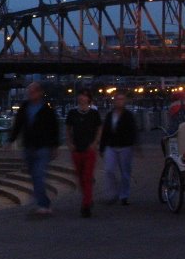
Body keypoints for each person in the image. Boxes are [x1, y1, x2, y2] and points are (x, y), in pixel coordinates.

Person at [8, 81, 60, 216]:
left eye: (34, 91)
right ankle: (44, 201)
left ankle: (43, 204)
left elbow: (54, 128)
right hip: (29, 146)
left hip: (43, 147)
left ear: (40, 93)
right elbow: (18, 124)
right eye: (29, 92)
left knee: (38, 174)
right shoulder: (24, 107)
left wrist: (54, 146)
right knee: (34, 175)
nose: (31, 94)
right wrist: (11, 140)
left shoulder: (47, 109)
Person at [65, 88, 102, 218]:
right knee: (81, 177)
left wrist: (95, 142)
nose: (82, 98)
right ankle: (88, 198)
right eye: (80, 95)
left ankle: (86, 205)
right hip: (76, 149)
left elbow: (99, 127)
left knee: (87, 176)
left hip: (89, 149)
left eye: (85, 96)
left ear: (89, 99)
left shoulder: (93, 113)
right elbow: (68, 129)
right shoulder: (72, 113)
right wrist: (69, 143)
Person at [100, 91, 137, 206]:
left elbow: (133, 131)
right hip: (111, 146)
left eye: (122, 99)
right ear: (114, 101)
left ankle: (124, 196)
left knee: (125, 173)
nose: (120, 101)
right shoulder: (110, 115)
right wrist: (102, 147)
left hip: (125, 146)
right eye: (118, 99)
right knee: (109, 170)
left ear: (124, 101)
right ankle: (113, 193)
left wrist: (133, 144)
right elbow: (105, 131)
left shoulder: (128, 115)